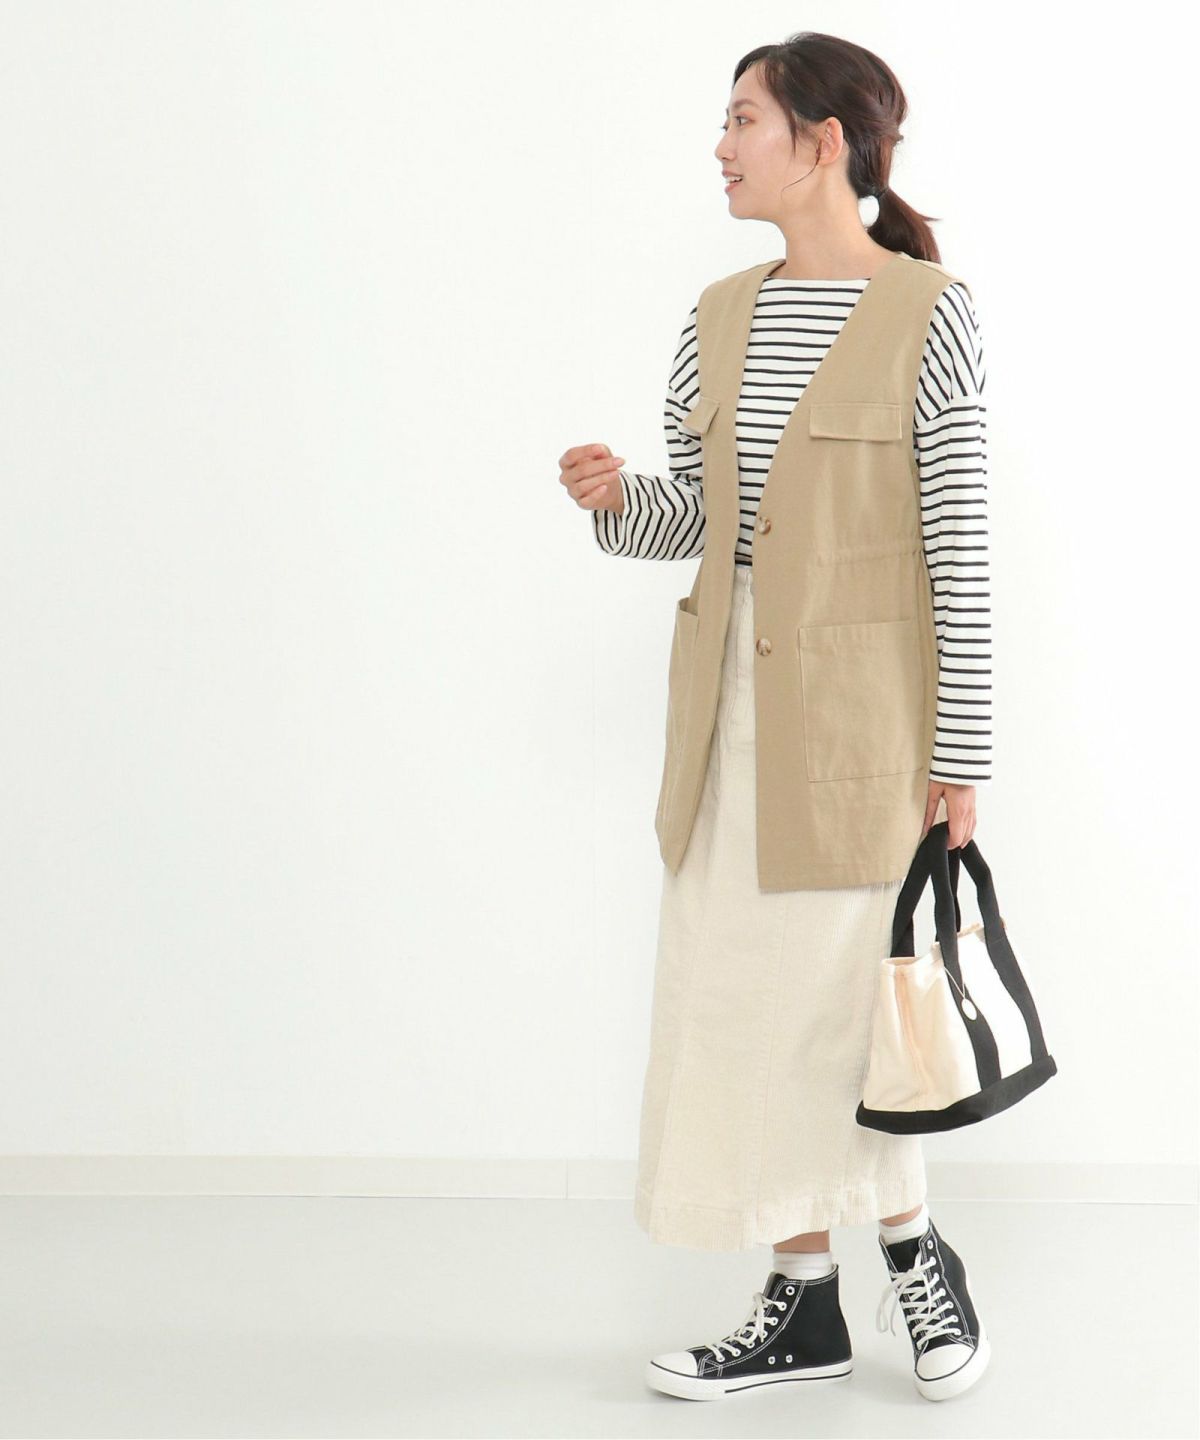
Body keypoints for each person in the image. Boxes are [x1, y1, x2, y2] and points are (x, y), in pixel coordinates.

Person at [558, 31, 992, 1405]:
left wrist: (963, 756)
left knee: (846, 1015)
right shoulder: (716, 317)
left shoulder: (931, 312)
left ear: (824, 141)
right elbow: (704, 526)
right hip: (725, 719)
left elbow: (958, 547)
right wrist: (617, 502)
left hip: (864, 729)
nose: (722, 145)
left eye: (743, 119)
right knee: (745, 1012)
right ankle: (804, 1299)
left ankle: (913, 1253)